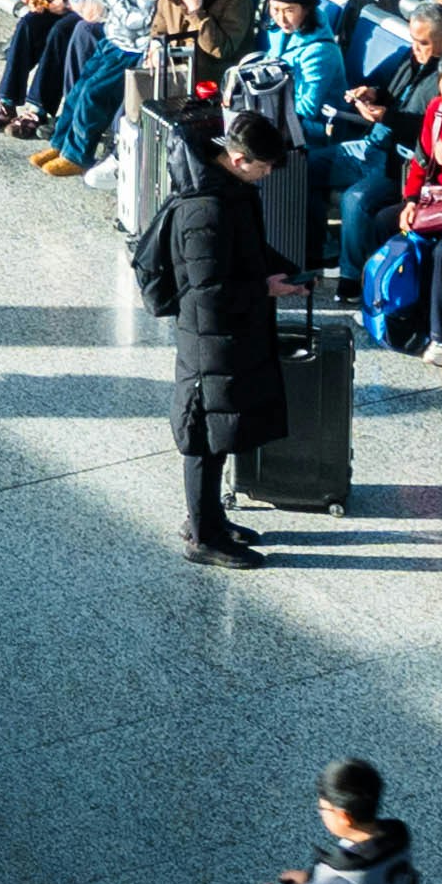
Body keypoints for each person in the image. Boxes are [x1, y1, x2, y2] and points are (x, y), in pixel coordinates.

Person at [155, 110, 294, 569]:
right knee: (203, 436)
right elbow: (208, 289)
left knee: (219, 431)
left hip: (230, 334)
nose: (268, 174)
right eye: (263, 166)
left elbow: (245, 252)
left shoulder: (232, 191)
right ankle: (202, 536)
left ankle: (208, 517)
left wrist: (280, 271)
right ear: (237, 158)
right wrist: (264, 288)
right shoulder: (204, 209)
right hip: (208, 338)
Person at [254, 758, 420, 884]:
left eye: (323, 809)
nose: (321, 813)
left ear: (344, 817)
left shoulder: (337, 881)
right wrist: (312, 880)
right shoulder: (398, 839)